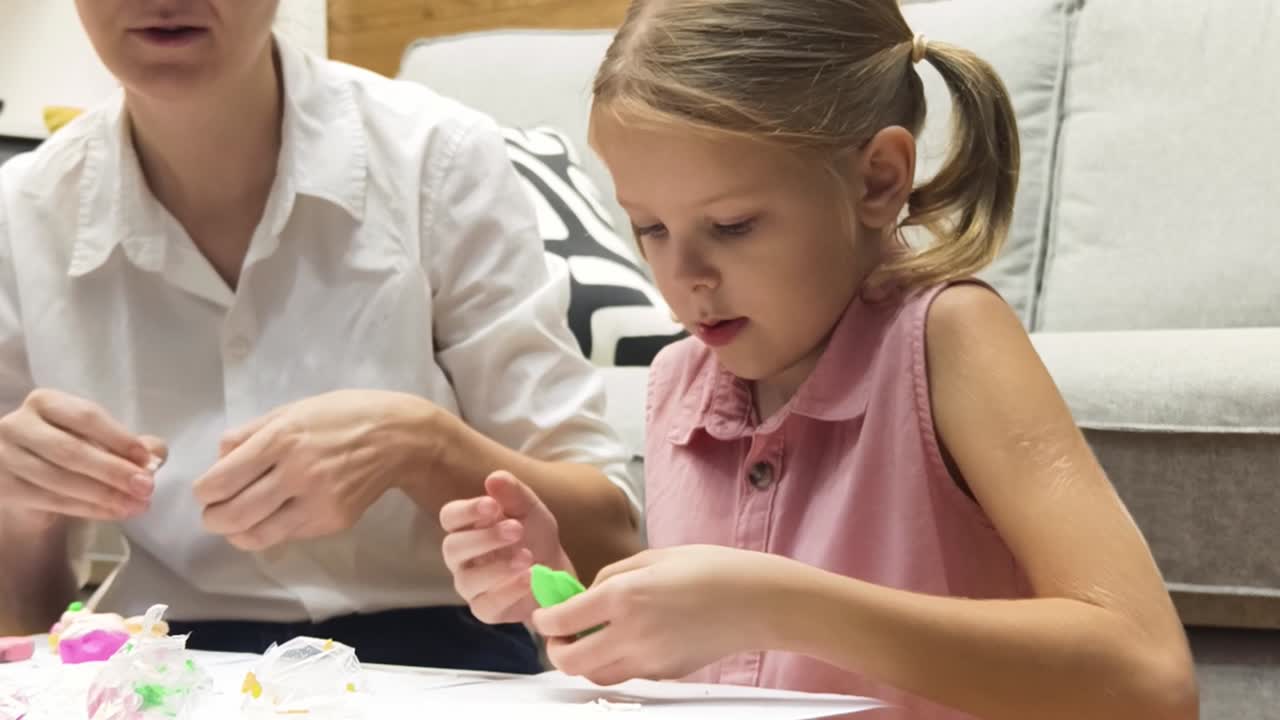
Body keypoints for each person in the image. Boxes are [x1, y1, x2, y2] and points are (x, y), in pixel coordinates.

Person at [440, 0, 1200, 716]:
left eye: (732, 225)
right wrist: (568, 600)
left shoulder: (949, 338)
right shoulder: (682, 380)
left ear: (878, 179)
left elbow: (1151, 682)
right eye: (650, 229)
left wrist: (778, 605)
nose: (685, 276)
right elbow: (709, 674)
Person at [0, 0, 641, 673]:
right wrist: (22, 504)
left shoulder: (436, 158)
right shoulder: (23, 213)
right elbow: (25, 621)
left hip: (442, 659)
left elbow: (611, 547)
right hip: (161, 667)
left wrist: (422, 445)